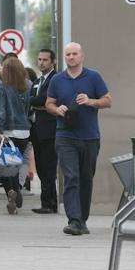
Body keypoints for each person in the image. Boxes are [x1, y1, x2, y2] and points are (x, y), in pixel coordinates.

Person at [46, 42, 111, 235]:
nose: (71, 57)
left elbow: (108, 100)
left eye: (74, 54)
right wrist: (57, 109)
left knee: (85, 178)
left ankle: (82, 220)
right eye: (68, 54)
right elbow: (49, 104)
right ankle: (74, 220)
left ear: (82, 56)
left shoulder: (93, 77)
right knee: (71, 176)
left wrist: (91, 101)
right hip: (65, 136)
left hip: (90, 136)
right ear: (64, 58)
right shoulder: (57, 80)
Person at [0, 58, 31, 215]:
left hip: (8, 131)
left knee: (5, 166)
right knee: (17, 163)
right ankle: (16, 190)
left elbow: (0, 111)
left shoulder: (2, 87)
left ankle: (12, 191)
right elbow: (29, 109)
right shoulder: (28, 86)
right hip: (24, 132)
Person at [30, 49, 58, 214]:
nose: (41, 62)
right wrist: (37, 104)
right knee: (41, 167)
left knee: (48, 167)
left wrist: (39, 103)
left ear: (52, 62)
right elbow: (30, 99)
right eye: (39, 59)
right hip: (36, 129)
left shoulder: (55, 79)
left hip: (49, 130)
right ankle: (47, 201)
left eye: (45, 60)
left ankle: (49, 203)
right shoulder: (38, 80)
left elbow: (43, 99)